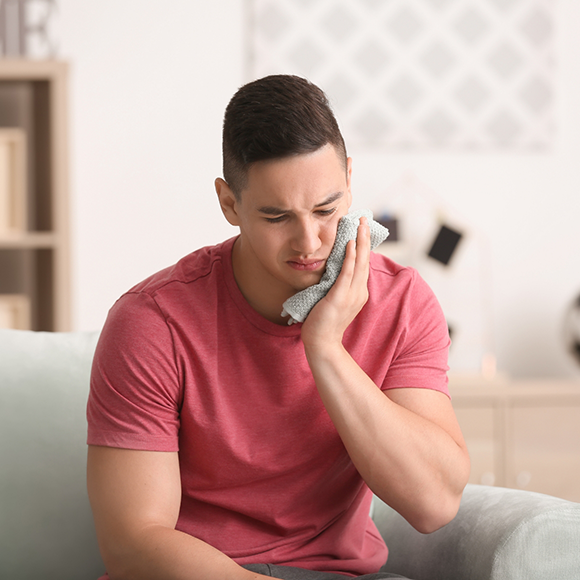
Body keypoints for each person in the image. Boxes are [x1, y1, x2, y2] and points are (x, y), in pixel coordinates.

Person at [86, 74, 470, 580]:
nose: (309, 241)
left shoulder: (400, 301)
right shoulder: (152, 322)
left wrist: (326, 348)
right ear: (229, 204)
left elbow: (434, 504)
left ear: (350, 180)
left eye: (326, 209)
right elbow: (133, 544)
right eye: (276, 217)